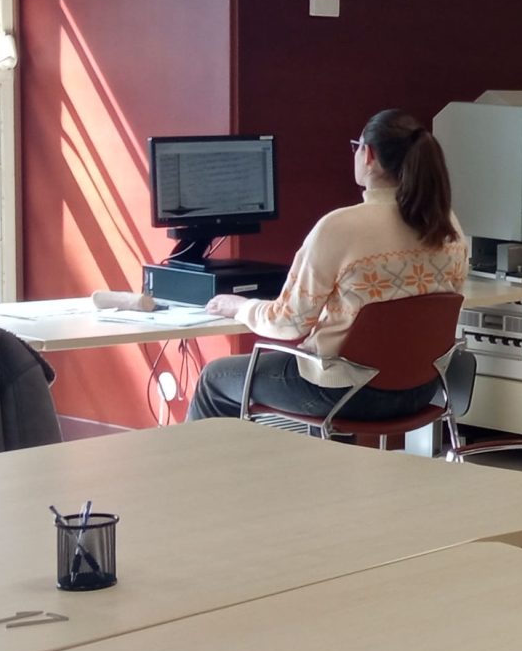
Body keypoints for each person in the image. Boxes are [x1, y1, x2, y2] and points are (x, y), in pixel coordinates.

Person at [189, 109, 469, 422]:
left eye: (356, 147)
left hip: (345, 394)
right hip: (422, 389)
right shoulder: (447, 224)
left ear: (368, 155)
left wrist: (241, 307)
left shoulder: (339, 228)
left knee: (215, 379)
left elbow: (290, 323)